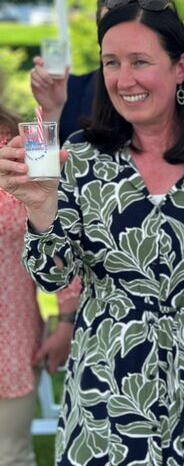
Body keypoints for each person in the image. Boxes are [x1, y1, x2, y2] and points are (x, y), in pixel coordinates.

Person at [0, 0, 184, 464]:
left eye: (139, 61)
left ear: (180, 67)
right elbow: (51, 277)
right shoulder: (82, 159)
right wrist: (42, 211)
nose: (123, 79)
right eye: (111, 62)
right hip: (104, 396)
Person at [0, 87, 81, 466]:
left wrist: (65, 320)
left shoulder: (19, 144)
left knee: (10, 455)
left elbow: (54, 225)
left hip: (10, 340)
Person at [29, 0, 125, 142]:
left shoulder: (167, 90)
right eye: (109, 27)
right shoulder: (70, 90)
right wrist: (50, 112)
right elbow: (40, 159)